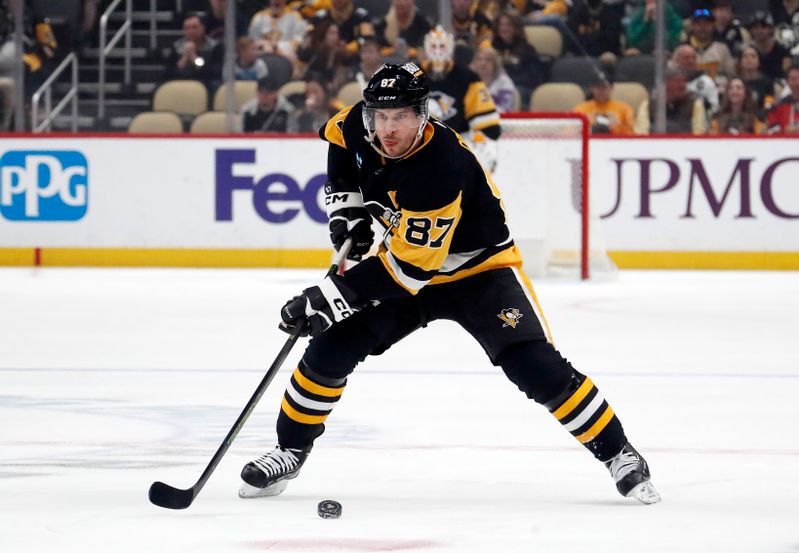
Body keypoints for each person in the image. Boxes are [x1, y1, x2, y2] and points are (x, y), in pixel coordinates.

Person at [236, 62, 661, 506]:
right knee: (331, 346)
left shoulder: (441, 164)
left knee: (532, 364)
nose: (388, 129)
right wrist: (349, 210)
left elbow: (410, 271)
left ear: (423, 114)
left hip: (479, 271)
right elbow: (337, 142)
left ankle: (620, 454)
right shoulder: (358, 124)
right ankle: (290, 449)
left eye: (401, 116)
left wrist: (329, 298)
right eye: (381, 116)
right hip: (407, 261)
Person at [422, 25, 502, 172]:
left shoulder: (468, 78)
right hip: (420, 145)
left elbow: (489, 128)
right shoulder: (411, 77)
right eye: (434, 46)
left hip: (458, 144)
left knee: (483, 153)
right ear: (426, 48)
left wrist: (484, 142)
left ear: (450, 48)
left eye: (442, 46)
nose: (438, 51)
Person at [490, 11, 546, 110]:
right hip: (495, 87)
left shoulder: (527, 49)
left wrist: (509, 82)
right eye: (501, 25)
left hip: (520, 88)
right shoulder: (491, 49)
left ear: (516, 29)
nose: (504, 28)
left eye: (508, 25)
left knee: (514, 92)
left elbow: (533, 77)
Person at [635, 67, 708, 134]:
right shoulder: (648, 104)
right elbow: (641, 132)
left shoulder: (695, 104)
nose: (682, 85)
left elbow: (699, 132)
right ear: (666, 83)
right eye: (678, 81)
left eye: (684, 81)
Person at [166, 13, 223, 88]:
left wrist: (194, 57)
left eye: (194, 27)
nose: (191, 31)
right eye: (187, 28)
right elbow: (170, 73)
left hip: (205, 84)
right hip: (181, 83)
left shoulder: (214, 47)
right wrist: (185, 57)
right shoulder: (177, 46)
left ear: (203, 28)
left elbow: (212, 72)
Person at [686, 7, 736, 81]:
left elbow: (731, 76)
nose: (702, 27)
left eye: (706, 23)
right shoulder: (684, 48)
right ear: (692, 26)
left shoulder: (722, 48)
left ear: (713, 25)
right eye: (698, 24)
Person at [670, 44, 720, 114]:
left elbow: (714, 109)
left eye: (694, 58)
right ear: (677, 60)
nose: (691, 61)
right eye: (686, 58)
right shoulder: (668, 82)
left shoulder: (706, 81)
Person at [470, 45, 519, 113]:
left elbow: (505, 109)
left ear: (495, 64)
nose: (483, 63)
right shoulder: (469, 80)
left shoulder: (504, 82)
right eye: (479, 59)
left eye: (488, 60)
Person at [748, 11, 792, 81]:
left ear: (771, 29)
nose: (759, 31)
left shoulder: (782, 51)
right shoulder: (749, 51)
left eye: (763, 27)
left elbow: (787, 73)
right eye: (756, 27)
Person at [737, 45, 776, 114]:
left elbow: (768, 105)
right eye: (745, 56)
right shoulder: (736, 82)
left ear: (759, 61)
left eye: (753, 56)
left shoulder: (767, 83)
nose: (749, 60)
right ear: (740, 62)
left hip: (762, 119)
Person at [766, 64, 799, 132]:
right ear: (787, 82)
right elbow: (772, 131)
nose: (798, 83)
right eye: (793, 79)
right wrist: (785, 131)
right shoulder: (777, 107)